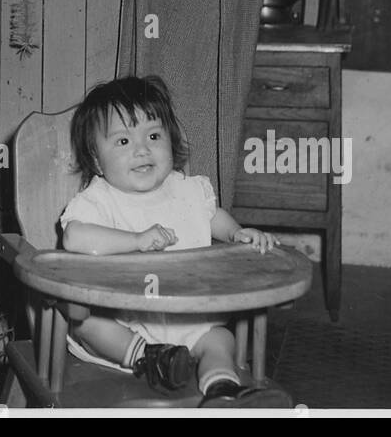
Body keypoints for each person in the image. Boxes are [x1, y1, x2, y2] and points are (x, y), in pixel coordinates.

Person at [60, 74, 283, 406]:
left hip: (187, 316)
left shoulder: (186, 190)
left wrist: (237, 233)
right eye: (122, 142)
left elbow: (211, 216)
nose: (141, 150)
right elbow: (75, 238)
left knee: (220, 338)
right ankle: (150, 358)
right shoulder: (98, 200)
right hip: (125, 319)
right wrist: (135, 239)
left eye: (153, 135)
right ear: (95, 160)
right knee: (87, 324)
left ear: (170, 139)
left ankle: (222, 392)